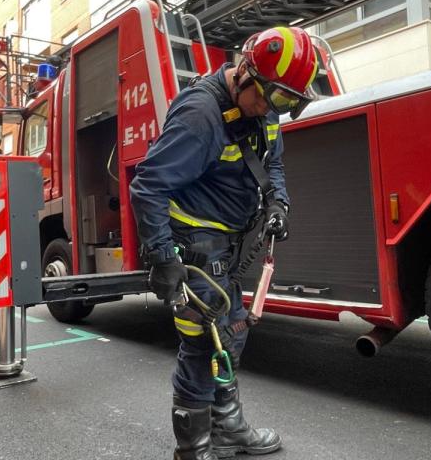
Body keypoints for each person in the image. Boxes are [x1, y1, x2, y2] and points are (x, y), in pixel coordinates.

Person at [129, 26, 318, 459]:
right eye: (270, 97)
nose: (271, 109)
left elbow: (273, 164)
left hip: (228, 242)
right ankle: (193, 449)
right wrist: (163, 258)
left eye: (285, 102)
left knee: (230, 334)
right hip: (195, 242)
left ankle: (227, 427)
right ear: (245, 71)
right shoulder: (200, 115)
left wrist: (278, 203)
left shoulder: (265, 106)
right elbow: (148, 187)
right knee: (203, 342)